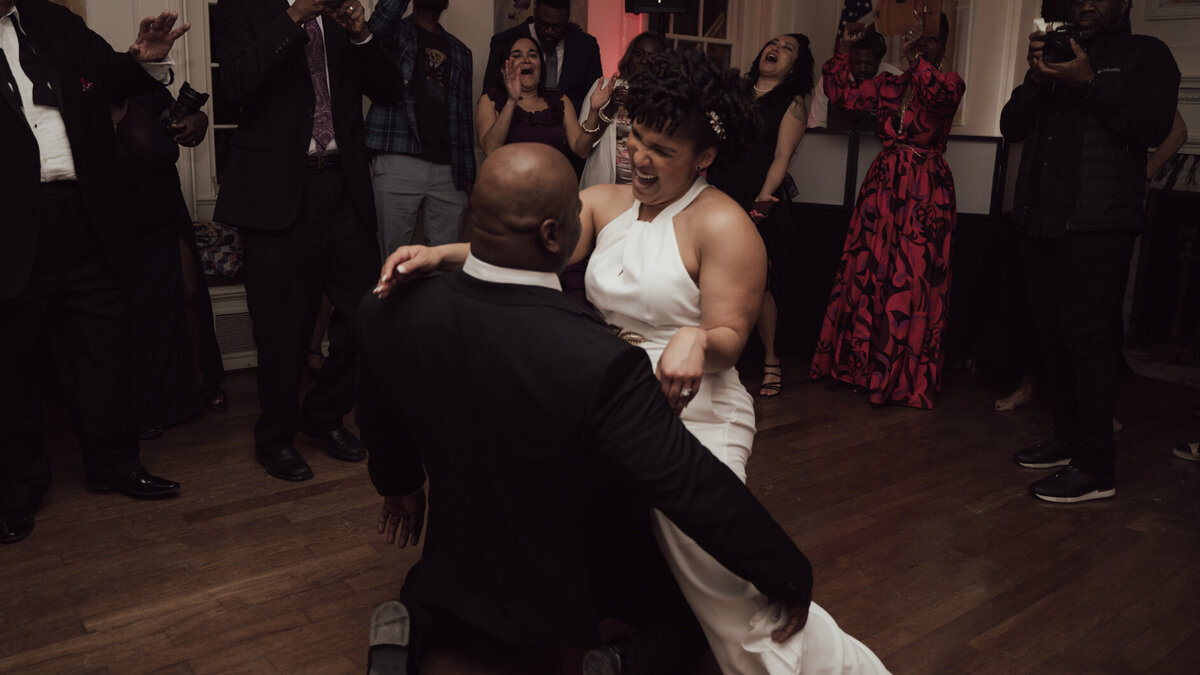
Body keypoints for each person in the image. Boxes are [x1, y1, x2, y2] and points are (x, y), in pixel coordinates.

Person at [376, 50, 889, 675]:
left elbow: (731, 330)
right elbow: (531, 236)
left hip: (694, 401)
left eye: (661, 150)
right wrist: (445, 254)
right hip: (609, 394)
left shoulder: (725, 225)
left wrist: (701, 340)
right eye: (636, 140)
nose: (640, 159)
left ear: (702, 158)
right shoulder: (606, 202)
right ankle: (631, 640)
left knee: (708, 557)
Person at [0, 1, 187, 545]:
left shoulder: (54, 22)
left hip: (84, 216)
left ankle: (116, 465)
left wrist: (146, 60)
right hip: (11, 227)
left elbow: (109, 78)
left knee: (104, 351)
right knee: (11, 367)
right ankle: (18, 490)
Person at [211, 0, 404, 482]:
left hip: (344, 186)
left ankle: (323, 415)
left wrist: (361, 33)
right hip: (278, 191)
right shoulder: (242, 10)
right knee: (282, 327)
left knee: (369, 313)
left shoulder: (341, 18)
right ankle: (275, 437)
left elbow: (389, 92)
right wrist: (295, 16)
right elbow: (236, 85)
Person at [1001, 0, 1179, 503]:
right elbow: (1011, 126)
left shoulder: (1148, 54)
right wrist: (1038, 78)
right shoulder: (1059, 55)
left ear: (1124, 2)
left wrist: (1088, 80)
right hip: (1040, 218)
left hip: (1099, 222)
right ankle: (1067, 439)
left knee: (1089, 340)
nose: (1086, 3)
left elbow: (1149, 128)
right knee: (1052, 336)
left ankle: (1097, 466)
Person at [808, 15, 965, 410]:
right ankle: (858, 369)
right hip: (883, 185)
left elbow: (936, 99)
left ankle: (898, 378)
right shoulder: (888, 85)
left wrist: (923, 60)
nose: (921, 44)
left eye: (931, 40)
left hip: (926, 190)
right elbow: (841, 94)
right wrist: (844, 47)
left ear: (943, 45)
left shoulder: (950, 82)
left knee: (911, 279)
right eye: (917, 39)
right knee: (868, 270)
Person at [115, 86, 226, 439]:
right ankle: (150, 402)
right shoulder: (86, 101)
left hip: (166, 206)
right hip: (125, 219)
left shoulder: (150, 95)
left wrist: (199, 121)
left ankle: (200, 379)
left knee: (190, 292)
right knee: (144, 312)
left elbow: (192, 121)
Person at [707, 34, 814, 399]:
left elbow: (783, 155)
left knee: (760, 282)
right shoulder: (734, 90)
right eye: (773, 43)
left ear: (795, 66)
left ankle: (771, 360)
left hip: (757, 196)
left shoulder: (792, 101)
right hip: (717, 193)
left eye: (787, 49)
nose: (775, 49)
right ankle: (715, 356)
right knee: (710, 277)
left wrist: (763, 202)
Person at [476, 33, 613, 302]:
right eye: (517, 55)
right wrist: (512, 101)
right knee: (516, 287)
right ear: (505, 66)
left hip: (555, 206)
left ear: (541, 64)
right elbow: (490, 148)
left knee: (563, 286)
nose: (526, 59)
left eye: (533, 54)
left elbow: (581, 147)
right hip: (511, 208)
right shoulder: (490, 101)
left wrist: (595, 111)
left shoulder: (559, 101)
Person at [366, 0, 475, 254]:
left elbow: (464, 117)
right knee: (391, 258)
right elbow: (377, 27)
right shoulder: (394, 33)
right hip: (398, 157)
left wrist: (469, 179)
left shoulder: (461, 51)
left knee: (446, 263)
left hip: (449, 171)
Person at [577, 31, 667, 190]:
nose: (645, 60)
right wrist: (610, 108)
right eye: (639, 53)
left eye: (653, 56)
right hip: (603, 189)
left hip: (648, 191)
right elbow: (583, 149)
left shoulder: (667, 98)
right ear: (630, 57)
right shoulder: (604, 87)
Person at [483, 0, 601, 119]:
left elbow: (594, 96)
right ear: (535, 13)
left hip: (573, 129)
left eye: (558, 26)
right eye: (544, 24)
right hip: (516, 127)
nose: (550, 31)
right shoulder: (504, 40)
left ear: (567, 18)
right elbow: (490, 94)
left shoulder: (586, 46)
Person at [808, 31, 902, 131]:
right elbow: (817, 123)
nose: (862, 69)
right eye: (857, 63)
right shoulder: (833, 80)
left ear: (879, 61)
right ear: (849, 59)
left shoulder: (896, 79)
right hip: (835, 143)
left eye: (869, 63)